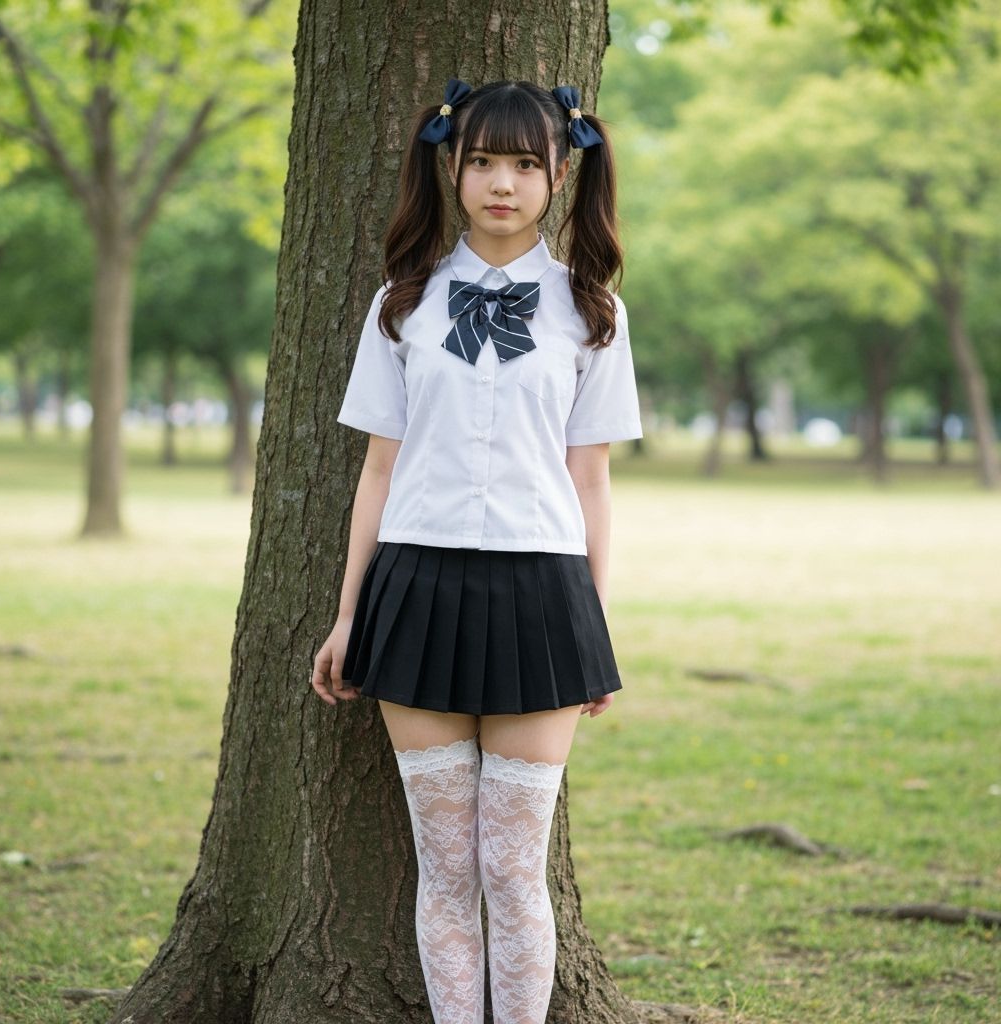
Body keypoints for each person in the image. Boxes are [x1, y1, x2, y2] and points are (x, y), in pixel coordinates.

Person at [311, 77, 643, 1024]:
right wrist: (346, 617)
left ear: (560, 175)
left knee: (511, 865)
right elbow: (377, 473)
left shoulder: (593, 313)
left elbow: (592, 481)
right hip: (415, 587)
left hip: (544, 594)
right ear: (451, 169)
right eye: (483, 161)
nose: (503, 183)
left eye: (526, 164)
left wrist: (594, 624)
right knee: (446, 865)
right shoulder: (402, 305)